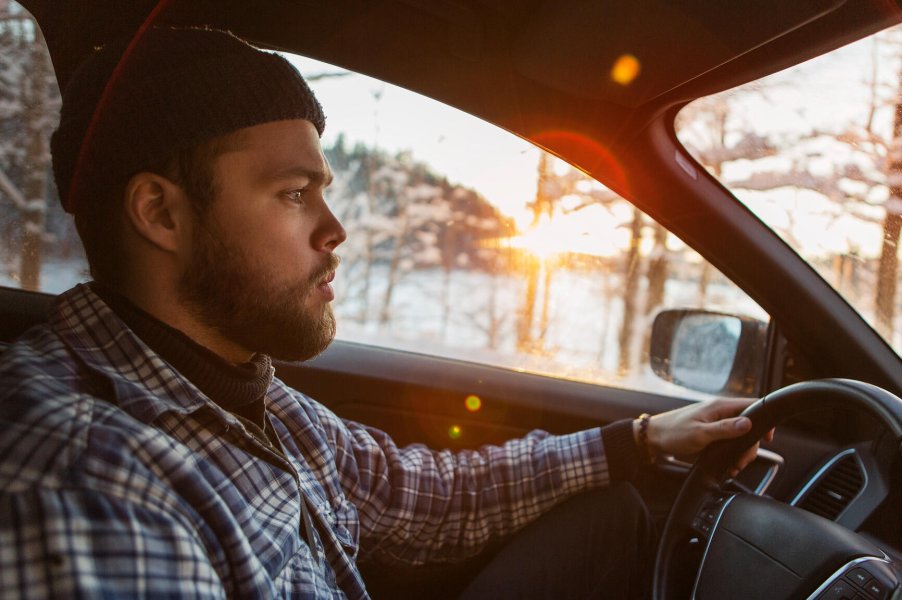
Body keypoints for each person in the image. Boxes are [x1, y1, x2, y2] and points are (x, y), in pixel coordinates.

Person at [0, 27, 764, 598]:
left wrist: (637, 440)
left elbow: (421, 495)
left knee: (614, 519)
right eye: (294, 194)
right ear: (161, 215)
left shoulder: (248, 395)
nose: (336, 231)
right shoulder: (86, 472)